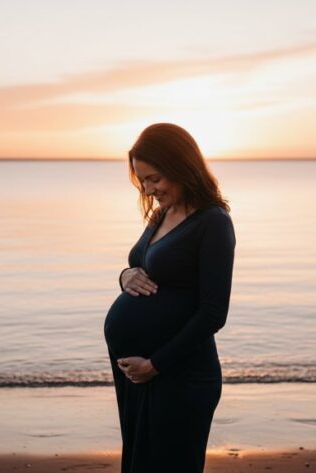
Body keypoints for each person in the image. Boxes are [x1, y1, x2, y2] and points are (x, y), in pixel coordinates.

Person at [103, 123, 236, 472]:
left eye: (155, 178)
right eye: (142, 180)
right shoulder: (162, 213)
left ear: (181, 167)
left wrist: (156, 364)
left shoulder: (213, 223)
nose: (148, 189)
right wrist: (124, 275)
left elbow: (213, 313)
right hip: (141, 376)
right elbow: (139, 262)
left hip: (179, 375)